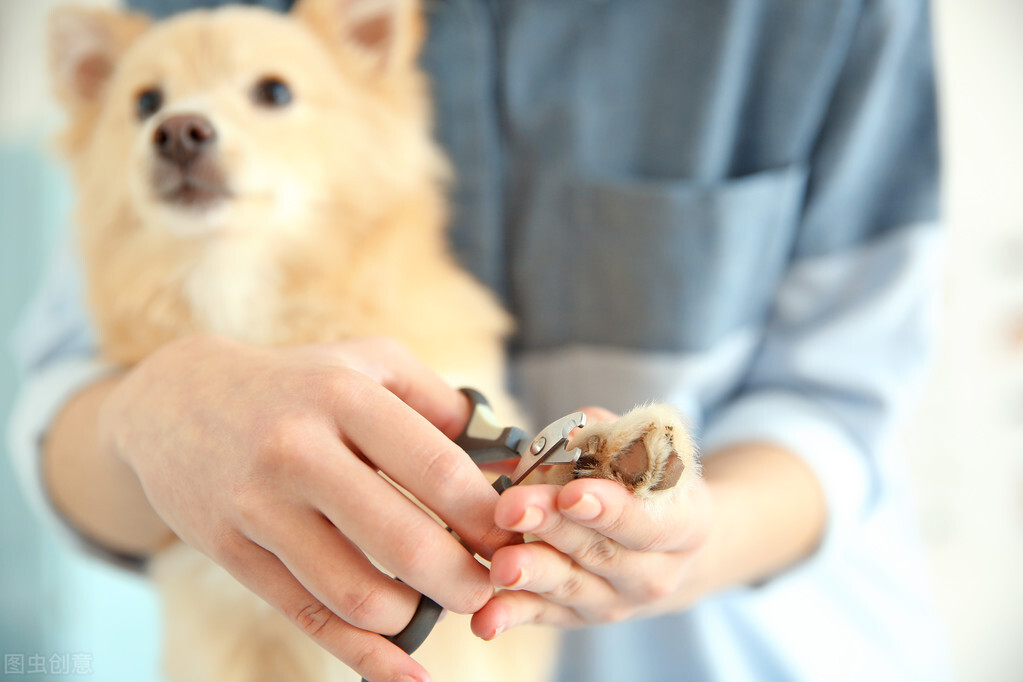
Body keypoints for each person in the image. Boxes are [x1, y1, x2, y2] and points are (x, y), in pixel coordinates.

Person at [8, 0, 948, 680]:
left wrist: (688, 540)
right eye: (145, 105)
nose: (182, 125)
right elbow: (55, 410)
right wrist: (144, 409)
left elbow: (841, 397)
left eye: (270, 90)